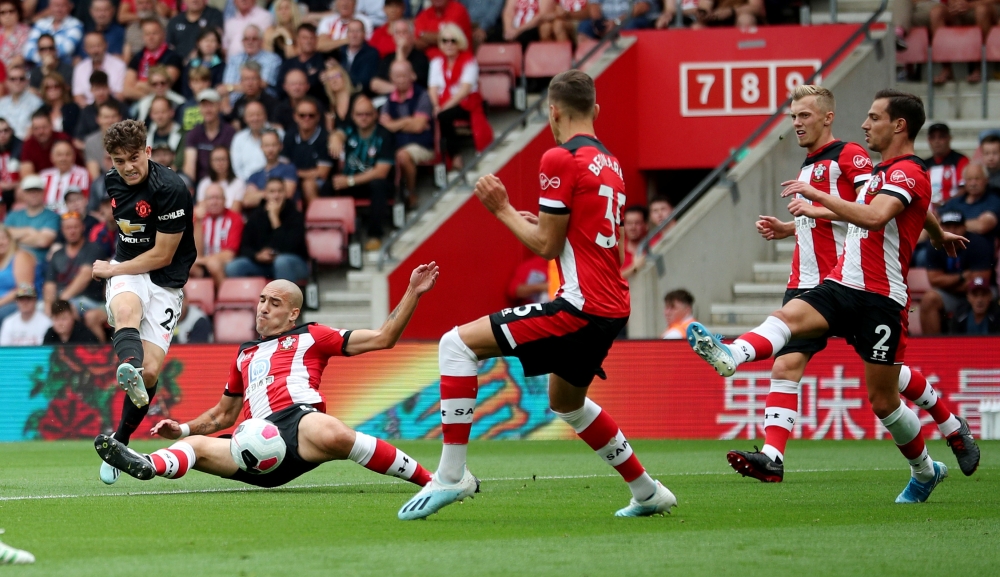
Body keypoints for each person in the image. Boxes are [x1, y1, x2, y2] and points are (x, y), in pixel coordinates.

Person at [398, 70, 676, 520]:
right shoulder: (611, 162)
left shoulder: (558, 158)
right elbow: (609, 242)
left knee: (455, 345)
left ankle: (452, 476)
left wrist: (501, 209)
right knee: (565, 401)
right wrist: (542, 222)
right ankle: (648, 492)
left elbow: (545, 246)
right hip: (611, 305)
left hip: (579, 305)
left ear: (553, 111)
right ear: (596, 112)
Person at [687, 89, 976, 503]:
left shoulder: (882, 164)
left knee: (884, 399)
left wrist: (820, 198)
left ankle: (929, 461)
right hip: (841, 283)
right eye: (793, 116)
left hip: (881, 296)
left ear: (898, 125)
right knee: (785, 325)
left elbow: (879, 213)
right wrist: (934, 231)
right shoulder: (883, 172)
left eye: (874, 117)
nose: (865, 124)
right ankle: (733, 356)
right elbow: (892, 203)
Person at [96, 270, 439, 493]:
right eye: (261, 300)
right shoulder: (244, 355)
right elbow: (223, 417)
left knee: (334, 433)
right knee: (197, 449)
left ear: (292, 313)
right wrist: (183, 430)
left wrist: (412, 291)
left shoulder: (314, 335)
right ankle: (145, 463)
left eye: (274, 303)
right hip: (253, 442)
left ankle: (430, 481)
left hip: (298, 424)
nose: (263, 308)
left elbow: (384, 337)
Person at [92, 119, 196, 486]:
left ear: (148, 152)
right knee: (126, 311)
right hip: (128, 269)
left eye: (134, 157)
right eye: (119, 160)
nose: (127, 166)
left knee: (151, 374)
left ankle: (120, 441)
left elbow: (163, 256)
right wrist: (115, 269)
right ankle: (129, 367)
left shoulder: (171, 189)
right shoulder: (111, 182)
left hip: (165, 280)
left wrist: (106, 269)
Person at [327, 94, 394, 251]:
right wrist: (335, 138)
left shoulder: (385, 135)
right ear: (353, 116)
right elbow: (339, 133)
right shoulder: (350, 130)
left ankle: (374, 235)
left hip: (374, 182)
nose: (363, 118)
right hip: (351, 182)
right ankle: (331, 234)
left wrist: (350, 181)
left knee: (378, 185)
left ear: (375, 115)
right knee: (327, 186)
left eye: (367, 114)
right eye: (359, 114)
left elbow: (381, 172)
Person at [919, 211, 994, 335]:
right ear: (940, 228)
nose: (952, 230)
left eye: (956, 226)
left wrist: (947, 282)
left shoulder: (979, 243)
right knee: (929, 299)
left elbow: (980, 280)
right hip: (951, 294)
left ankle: (988, 347)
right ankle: (933, 349)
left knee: (979, 295)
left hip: (980, 291)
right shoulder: (934, 244)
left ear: (964, 227)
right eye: (948, 226)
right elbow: (934, 280)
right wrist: (962, 276)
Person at [226, 177, 308, 283]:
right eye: (272, 191)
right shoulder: (256, 215)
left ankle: (284, 299)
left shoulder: (295, 214)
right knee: (233, 267)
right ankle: (252, 298)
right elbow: (245, 247)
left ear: (285, 194)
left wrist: (275, 219)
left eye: (280, 191)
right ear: (265, 194)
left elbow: (291, 246)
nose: (276, 195)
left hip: (293, 263)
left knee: (281, 262)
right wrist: (257, 256)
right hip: (263, 264)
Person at [44, 210, 109, 339]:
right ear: (62, 230)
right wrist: (48, 306)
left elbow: (84, 277)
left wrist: (61, 302)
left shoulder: (94, 248)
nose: (72, 231)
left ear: (82, 227)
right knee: (40, 311)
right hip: (63, 301)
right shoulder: (57, 255)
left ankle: (103, 355)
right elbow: (49, 284)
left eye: (75, 227)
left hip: (92, 301)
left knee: (70, 310)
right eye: (68, 227)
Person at [380, 60, 434, 206]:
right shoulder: (387, 100)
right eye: (397, 76)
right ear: (391, 78)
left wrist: (396, 124)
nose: (401, 79)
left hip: (421, 145)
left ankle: (410, 193)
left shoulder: (422, 95)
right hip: (396, 144)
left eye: (404, 75)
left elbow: (418, 126)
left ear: (413, 76)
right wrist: (407, 121)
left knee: (402, 156)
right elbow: (385, 127)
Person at [927, 0, 997, 84]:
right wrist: (955, 4)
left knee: (981, 10)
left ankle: (980, 69)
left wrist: (970, 5)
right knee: (937, 13)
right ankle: (947, 69)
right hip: (963, 10)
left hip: (989, 7)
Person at [283, 97, 332, 205]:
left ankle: (316, 220)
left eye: (311, 115)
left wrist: (294, 173)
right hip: (294, 180)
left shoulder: (325, 138)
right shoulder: (290, 136)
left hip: (321, 183)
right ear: (295, 117)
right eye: (302, 115)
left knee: (308, 184)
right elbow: (283, 166)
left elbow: (322, 173)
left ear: (318, 117)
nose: (306, 118)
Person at [192, 182, 242, 287]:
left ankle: (224, 300)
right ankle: (198, 301)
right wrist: (199, 223)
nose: (214, 202)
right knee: (184, 267)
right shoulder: (198, 218)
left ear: (225, 200)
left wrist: (202, 260)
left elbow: (229, 254)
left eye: (218, 198)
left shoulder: (234, 218)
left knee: (213, 264)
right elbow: (197, 252)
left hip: (224, 263)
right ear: (204, 202)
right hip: (203, 264)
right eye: (210, 198)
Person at [5, 175, 59, 271]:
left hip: (37, 264)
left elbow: (43, 241)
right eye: (29, 191)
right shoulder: (13, 215)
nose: (33, 194)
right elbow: (3, 236)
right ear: (23, 194)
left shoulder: (52, 216)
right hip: (11, 264)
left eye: (37, 191)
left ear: (43, 192)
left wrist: (14, 238)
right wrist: (29, 231)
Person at [123, 18, 183, 102]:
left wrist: (139, 85)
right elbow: (126, 90)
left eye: (154, 33)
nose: (150, 37)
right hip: (139, 102)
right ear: (142, 37)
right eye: (147, 34)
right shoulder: (137, 57)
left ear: (163, 35)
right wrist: (148, 98)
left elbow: (164, 84)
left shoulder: (173, 57)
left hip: (167, 103)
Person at [183, 89, 236, 183]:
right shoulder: (194, 133)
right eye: (204, 106)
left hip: (225, 183)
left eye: (211, 105)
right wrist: (189, 188)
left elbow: (233, 164)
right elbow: (189, 166)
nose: (208, 110)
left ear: (219, 106)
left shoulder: (230, 132)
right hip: (200, 184)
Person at [940, 163, 1000, 241]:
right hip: (950, 245)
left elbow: (982, 226)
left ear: (986, 180)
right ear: (964, 181)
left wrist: (950, 224)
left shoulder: (993, 201)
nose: (973, 183)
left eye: (977, 179)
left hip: (979, 247)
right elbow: (939, 222)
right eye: (969, 179)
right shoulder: (955, 202)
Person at [370, 18, 430, 95]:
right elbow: (375, 84)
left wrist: (400, 51)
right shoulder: (388, 58)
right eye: (398, 32)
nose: (401, 35)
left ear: (412, 35)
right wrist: (397, 90)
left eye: (404, 32)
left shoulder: (420, 58)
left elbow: (411, 83)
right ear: (393, 37)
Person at [245, 130, 297, 208]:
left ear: (280, 146)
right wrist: (274, 193)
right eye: (266, 145)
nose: (270, 149)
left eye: (274, 145)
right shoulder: (255, 175)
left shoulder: (289, 169)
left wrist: (259, 194)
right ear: (261, 147)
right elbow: (247, 200)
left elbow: (287, 194)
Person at [73, 71, 129, 144]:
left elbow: (129, 130)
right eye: (97, 89)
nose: (100, 93)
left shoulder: (121, 107)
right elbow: (79, 137)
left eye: (103, 88)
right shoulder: (87, 111)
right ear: (91, 90)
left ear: (109, 88)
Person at [72, 32, 127, 106]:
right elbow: (78, 96)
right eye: (91, 47)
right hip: (88, 110)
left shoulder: (119, 65)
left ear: (106, 45)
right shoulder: (80, 68)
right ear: (85, 49)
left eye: (98, 46)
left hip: (113, 109)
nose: (95, 50)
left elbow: (120, 95)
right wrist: (90, 112)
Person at [276, 24, 327, 103]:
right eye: (304, 38)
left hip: (316, 105)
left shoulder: (324, 61)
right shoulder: (288, 63)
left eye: (311, 38)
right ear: (297, 40)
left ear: (316, 40)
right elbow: (280, 88)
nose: (308, 41)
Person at [20, 109, 78, 177]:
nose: (41, 132)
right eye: (36, 128)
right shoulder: (29, 144)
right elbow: (26, 175)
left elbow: (74, 165)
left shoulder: (63, 139)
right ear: (32, 129)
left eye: (44, 127)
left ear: (51, 125)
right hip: (40, 183)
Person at [23, 0, 83, 65]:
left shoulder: (75, 25)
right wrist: (45, 58)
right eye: (56, 5)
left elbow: (67, 48)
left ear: (69, 7)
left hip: (63, 67)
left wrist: (43, 55)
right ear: (50, 7)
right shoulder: (40, 24)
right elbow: (27, 51)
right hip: (39, 68)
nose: (59, 9)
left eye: (62, 6)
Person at [222, 25, 282, 90]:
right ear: (242, 42)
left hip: (261, 98)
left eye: (254, 39)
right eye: (246, 39)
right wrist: (229, 88)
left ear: (261, 41)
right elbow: (226, 84)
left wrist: (231, 87)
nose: (250, 42)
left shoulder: (271, 59)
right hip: (235, 99)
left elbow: (262, 84)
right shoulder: (234, 59)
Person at [230, 101, 278, 181]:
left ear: (265, 116)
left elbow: (283, 162)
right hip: (245, 184)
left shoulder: (277, 134)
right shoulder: (239, 138)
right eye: (251, 115)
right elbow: (236, 168)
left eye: (258, 114)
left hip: (273, 182)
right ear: (245, 118)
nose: (255, 118)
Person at [223, 61, 279, 130]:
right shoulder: (239, 103)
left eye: (253, 79)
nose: (250, 83)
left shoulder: (272, 103)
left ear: (260, 80)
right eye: (246, 79)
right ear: (241, 82)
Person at [924, 122, 969, 206]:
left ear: (949, 138)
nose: (937, 141)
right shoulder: (924, 164)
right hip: (927, 212)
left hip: (954, 209)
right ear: (929, 140)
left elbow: (965, 188)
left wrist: (944, 203)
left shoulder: (960, 160)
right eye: (933, 137)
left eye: (941, 137)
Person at [39, 140, 90, 213]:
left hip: (71, 218)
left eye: (67, 154)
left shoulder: (82, 174)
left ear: (73, 156)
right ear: (52, 157)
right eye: (59, 155)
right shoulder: (44, 176)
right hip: (47, 219)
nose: (63, 159)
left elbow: (84, 200)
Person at [0, 225, 37, 323]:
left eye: (3, 238)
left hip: (18, 303)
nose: (0, 242)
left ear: (10, 240)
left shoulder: (20, 257)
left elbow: (24, 289)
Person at [196, 146, 245, 213]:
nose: (220, 163)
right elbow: (201, 209)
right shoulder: (204, 183)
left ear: (229, 161)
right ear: (210, 162)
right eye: (216, 159)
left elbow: (235, 211)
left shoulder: (238, 183)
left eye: (223, 159)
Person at [337, 19, 380, 93]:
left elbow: (364, 81)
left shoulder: (371, 53)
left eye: (358, 31)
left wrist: (339, 71)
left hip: (360, 94)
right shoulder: (339, 51)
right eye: (351, 31)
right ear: (347, 34)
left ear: (364, 34)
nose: (354, 35)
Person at [0, 66, 42, 140]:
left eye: (21, 79)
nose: (17, 82)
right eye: (13, 79)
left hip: (24, 146)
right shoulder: (2, 104)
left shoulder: (36, 103)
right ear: (7, 82)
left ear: (27, 81)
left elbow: (34, 131)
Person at [84, 101, 122, 180]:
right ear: (98, 119)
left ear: (119, 118)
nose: (110, 121)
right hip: (102, 184)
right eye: (106, 117)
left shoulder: (130, 139)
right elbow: (95, 176)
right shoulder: (91, 142)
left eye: (113, 116)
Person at [579, 0, 653, 39]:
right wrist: (600, 23)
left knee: (631, 25)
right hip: (605, 19)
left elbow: (643, 7)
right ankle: (586, 64)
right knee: (585, 27)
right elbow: (594, 5)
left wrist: (616, 22)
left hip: (630, 18)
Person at [182, 30, 225, 97]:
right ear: (198, 43)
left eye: (212, 41)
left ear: (218, 45)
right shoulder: (191, 65)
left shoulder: (222, 66)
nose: (208, 44)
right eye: (205, 40)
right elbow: (185, 86)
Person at [40, 72, 80, 137]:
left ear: (62, 88)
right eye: (48, 87)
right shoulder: (42, 110)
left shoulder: (73, 108)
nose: (52, 90)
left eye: (56, 86)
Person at [321, 60, 354, 130]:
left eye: (337, 76)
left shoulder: (357, 98)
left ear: (344, 77)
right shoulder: (331, 106)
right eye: (330, 78)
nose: (334, 81)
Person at [0, 0, 30, 71]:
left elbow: (20, 58)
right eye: (2, 12)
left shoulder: (26, 31)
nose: (7, 15)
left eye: (11, 11)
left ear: (18, 12)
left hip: (16, 74)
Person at [0, 118, 21, 209]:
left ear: (11, 131)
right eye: (0, 131)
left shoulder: (22, 148)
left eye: (6, 131)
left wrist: (16, 184)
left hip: (17, 188)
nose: (3, 134)